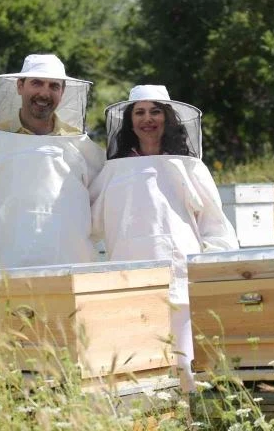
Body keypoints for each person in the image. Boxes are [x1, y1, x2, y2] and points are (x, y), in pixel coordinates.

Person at [90, 85, 238, 391]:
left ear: (168, 118)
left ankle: (193, 414)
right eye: (140, 112)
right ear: (129, 121)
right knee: (138, 365)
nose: (148, 119)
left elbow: (215, 225)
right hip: (130, 281)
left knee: (186, 362)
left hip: (180, 279)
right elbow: (91, 223)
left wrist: (213, 274)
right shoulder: (113, 170)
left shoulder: (189, 167)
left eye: (155, 111)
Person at [0, 54, 105, 275]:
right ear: (20, 86)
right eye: (37, 83)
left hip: (75, 274)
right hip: (6, 274)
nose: (45, 93)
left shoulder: (79, 144)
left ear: (63, 92)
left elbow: (106, 204)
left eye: (54, 86)